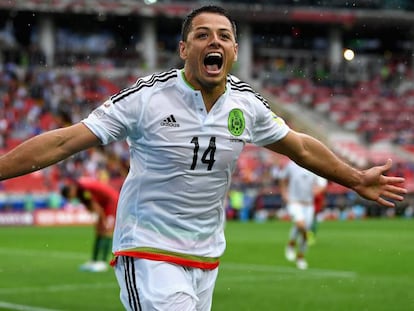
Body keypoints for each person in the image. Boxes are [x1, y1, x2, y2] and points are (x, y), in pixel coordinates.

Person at [0, 5, 407, 310]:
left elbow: (298, 146)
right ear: (184, 48)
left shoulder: (247, 105)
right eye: (202, 35)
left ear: (233, 50)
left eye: (224, 36)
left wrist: (354, 178)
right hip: (148, 249)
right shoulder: (148, 97)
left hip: (206, 256)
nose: (215, 41)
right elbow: (64, 142)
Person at [61, 176, 119, 272]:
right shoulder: (79, 191)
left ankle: (103, 262)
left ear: (71, 191)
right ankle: (94, 260)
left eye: (70, 197)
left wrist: (102, 220)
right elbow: (90, 206)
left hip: (111, 201)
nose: (71, 199)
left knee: (107, 231)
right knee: (99, 231)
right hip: (103, 203)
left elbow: (95, 206)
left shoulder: (83, 189)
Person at [279, 160, 327, 270]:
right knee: (301, 225)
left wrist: (316, 191)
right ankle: (291, 244)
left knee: (305, 231)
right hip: (294, 203)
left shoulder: (313, 166)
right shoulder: (291, 165)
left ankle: (300, 257)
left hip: (308, 205)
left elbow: (322, 184)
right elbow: (282, 179)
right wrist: (284, 193)